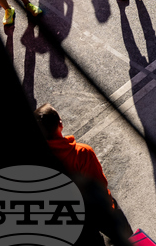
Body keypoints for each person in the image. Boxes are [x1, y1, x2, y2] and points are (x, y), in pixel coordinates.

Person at [34, 104, 133, 244]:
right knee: (125, 236)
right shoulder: (81, 153)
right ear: (60, 123)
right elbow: (100, 186)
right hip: (98, 211)